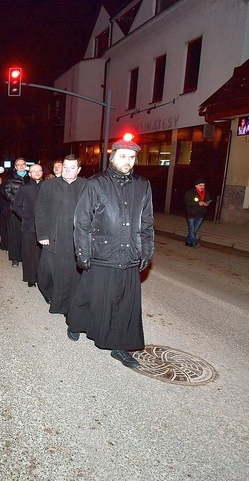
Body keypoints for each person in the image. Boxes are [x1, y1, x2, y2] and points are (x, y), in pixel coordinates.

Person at [66, 138, 154, 369]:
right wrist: (82, 253)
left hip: (129, 254)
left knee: (125, 302)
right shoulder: (96, 183)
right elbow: (81, 221)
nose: (127, 161)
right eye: (123, 156)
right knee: (89, 295)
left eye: (132, 157)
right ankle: (75, 323)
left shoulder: (142, 185)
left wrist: (146, 250)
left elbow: (147, 222)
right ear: (113, 157)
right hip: (101, 252)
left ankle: (119, 346)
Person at [36, 154, 88, 314]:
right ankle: (49, 292)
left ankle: (68, 305)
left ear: (78, 170)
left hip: (75, 238)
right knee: (48, 271)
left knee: (72, 273)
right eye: (65, 167)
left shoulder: (86, 186)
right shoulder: (48, 185)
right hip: (53, 236)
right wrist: (42, 235)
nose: (67, 170)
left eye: (72, 168)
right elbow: (40, 211)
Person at [12, 164, 44, 287]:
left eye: (39, 170)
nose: (36, 173)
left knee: (41, 254)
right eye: (33, 171)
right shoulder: (24, 188)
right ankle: (30, 277)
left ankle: (41, 277)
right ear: (29, 174)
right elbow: (16, 206)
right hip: (29, 226)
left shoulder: (47, 187)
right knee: (29, 252)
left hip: (44, 227)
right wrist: (25, 217)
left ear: (42, 172)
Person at [3, 158, 30, 267]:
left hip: (29, 211)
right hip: (14, 211)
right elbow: (7, 193)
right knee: (14, 235)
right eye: (19, 165)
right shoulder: (10, 179)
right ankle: (15, 258)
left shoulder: (30, 177)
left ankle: (26, 257)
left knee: (27, 236)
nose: (21, 166)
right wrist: (19, 203)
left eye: (23, 164)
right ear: (15, 167)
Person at [184, 178, 212, 248]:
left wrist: (206, 204)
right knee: (192, 229)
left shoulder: (206, 192)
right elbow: (187, 202)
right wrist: (197, 203)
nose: (202, 187)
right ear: (196, 186)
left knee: (194, 230)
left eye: (203, 185)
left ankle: (188, 241)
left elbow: (207, 200)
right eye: (200, 185)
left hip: (201, 214)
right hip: (191, 213)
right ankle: (194, 243)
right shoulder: (190, 192)